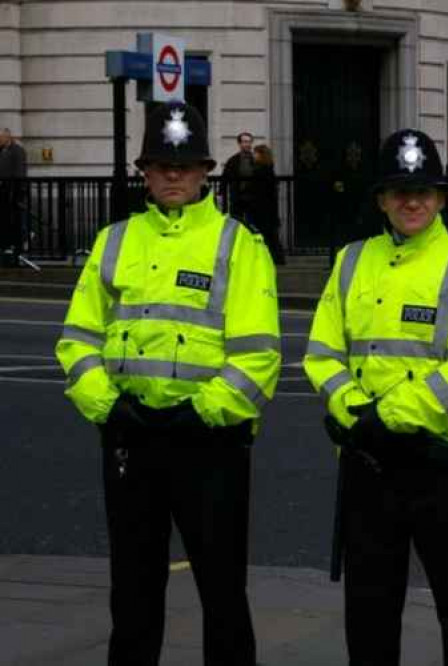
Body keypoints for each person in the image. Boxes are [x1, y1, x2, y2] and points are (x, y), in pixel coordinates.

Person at [54, 102, 281, 666]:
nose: (173, 176)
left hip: (211, 445)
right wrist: (108, 406)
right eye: (160, 165)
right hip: (131, 439)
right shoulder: (113, 241)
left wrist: (201, 413)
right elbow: (77, 340)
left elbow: (257, 356)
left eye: (184, 166)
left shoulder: (239, 245)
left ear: (206, 171)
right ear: (144, 172)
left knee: (223, 594)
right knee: (131, 595)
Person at [303, 128, 448, 665]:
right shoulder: (349, 261)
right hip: (370, 470)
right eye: (398, 191)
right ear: (381, 200)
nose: (411, 201)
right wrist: (355, 413)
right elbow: (322, 354)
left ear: (442, 198)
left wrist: (384, 418)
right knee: (368, 624)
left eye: (423, 192)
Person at [249, 144, 286, 265]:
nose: (253, 155)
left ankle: (275, 257)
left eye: (256, 153)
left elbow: (259, 190)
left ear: (261, 155)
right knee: (270, 234)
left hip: (262, 207)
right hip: (267, 208)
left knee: (267, 234)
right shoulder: (268, 169)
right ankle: (277, 257)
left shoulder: (261, 171)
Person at [0, 128, 27, 266]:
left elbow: (19, 172)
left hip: (13, 193)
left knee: (16, 222)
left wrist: (18, 191)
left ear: (7, 137)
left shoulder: (17, 150)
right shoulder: (2, 150)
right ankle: (6, 249)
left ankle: (16, 251)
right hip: (4, 194)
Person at [222, 131, 255, 222]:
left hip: (252, 198)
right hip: (237, 197)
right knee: (236, 223)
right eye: (245, 142)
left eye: (249, 142)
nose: (247, 144)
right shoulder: (233, 160)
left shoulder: (256, 160)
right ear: (239, 144)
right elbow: (224, 178)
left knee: (251, 224)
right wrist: (222, 193)